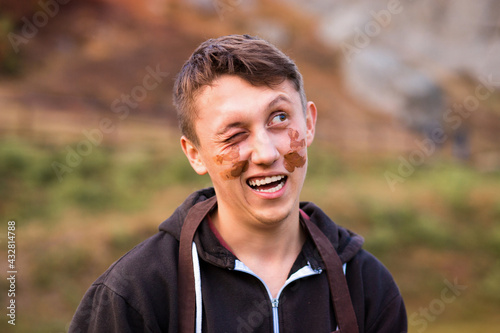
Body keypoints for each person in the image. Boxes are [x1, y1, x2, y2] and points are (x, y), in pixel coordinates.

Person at [69, 34, 407, 333]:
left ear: (308, 123)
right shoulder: (136, 295)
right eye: (235, 134)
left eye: (279, 118)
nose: (266, 153)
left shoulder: (367, 287)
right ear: (195, 154)